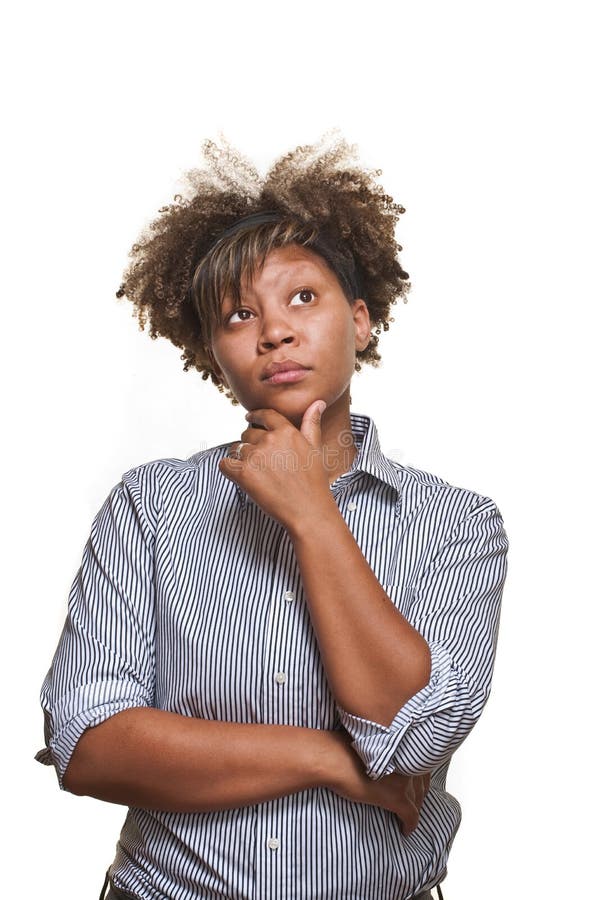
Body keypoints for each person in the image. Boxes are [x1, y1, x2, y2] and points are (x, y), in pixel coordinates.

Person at [36, 133, 509, 900]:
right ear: (211, 352)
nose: (275, 332)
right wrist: (326, 758)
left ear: (360, 321)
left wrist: (312, 513)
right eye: (237, 314)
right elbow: (87, 746)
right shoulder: (150, 508)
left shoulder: (457, 525)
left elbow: (415, 737)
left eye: (302, 298)